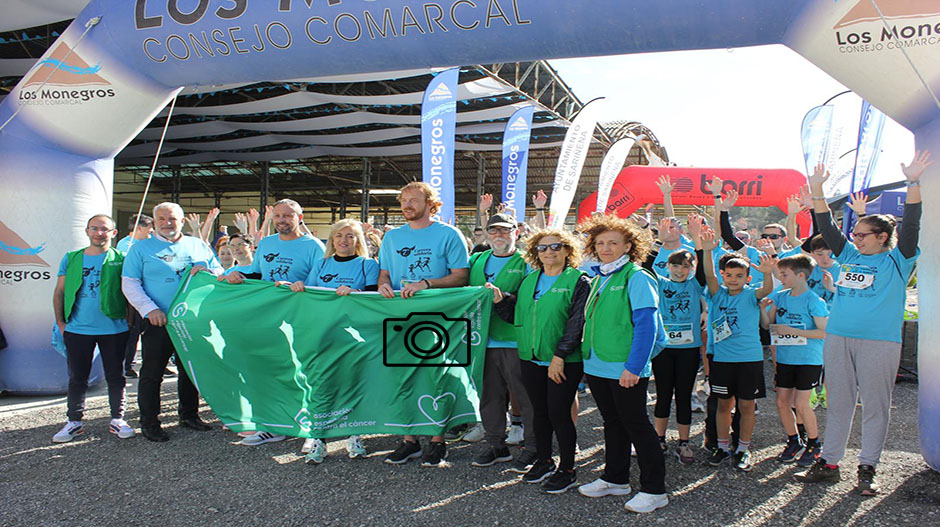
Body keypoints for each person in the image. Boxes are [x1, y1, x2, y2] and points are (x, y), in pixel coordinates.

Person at [795, 152, 930, 496]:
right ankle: (829, 463)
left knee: (875, 404)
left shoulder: (899, 261)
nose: (856, 238)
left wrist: (913, 183)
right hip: (839, 338)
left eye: (864, 234)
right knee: (838, 401)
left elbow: (912, 224)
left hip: (879, 342)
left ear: (883, 237)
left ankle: (868, 466)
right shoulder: (851, 256)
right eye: (855, 233)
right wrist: (817, 192)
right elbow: (827, 228)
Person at [573, 214, 669, 513]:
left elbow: (646, 326)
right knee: (612, 423)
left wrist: (635, 367)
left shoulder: (637, 277)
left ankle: (655, 490)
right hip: (599, 365)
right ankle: (615, 479)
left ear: (629, 245)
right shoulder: (602, 276)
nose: (606, 248)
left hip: (624, 367)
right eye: (600, 243)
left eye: (613, 243)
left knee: (637, 426)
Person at [488, 228, 590, 494]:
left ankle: (567, 469)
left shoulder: (578, 280)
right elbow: (516, 316)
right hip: (530, 358)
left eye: (555, 247)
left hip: (562, 361)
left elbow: (576, 324)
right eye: (542, 248)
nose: (548, 252)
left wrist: (560, 356)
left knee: (559, 414)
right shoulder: (530, 280)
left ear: (568, 250)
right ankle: (544, 460)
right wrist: (501, 301)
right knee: (539, 413)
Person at [378, 182, 470, 467]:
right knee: (400, 376)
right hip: (399, 317)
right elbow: (384, 273)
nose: (407, 205)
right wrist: (383, 285)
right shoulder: (392, 237)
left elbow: (461, 276)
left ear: (431, 204)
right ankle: (409, 440)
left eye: (413, 200)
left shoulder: (448, 234)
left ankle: (437, 440)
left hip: (437, 318)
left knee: (436, 376)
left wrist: (426, 284)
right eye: (403, 200)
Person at [226, 199, 326, 446]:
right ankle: (271, 425)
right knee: (267, 371)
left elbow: (319, 285)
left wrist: (300, 288)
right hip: (267, 318)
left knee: (301, 374)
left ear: (299, 218)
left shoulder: (313, 246)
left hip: (299, 319)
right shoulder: (268, 243)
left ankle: (310, 429)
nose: (282, 220)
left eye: (288, 215)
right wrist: (235, 274)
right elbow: (258, 274)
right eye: (278, 216)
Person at [122, 202, 223, 442]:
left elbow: (219, 272)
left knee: (190, 369)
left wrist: (209, 271)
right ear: (155, 222)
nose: (168, 223)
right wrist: (150, 310)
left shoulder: (197, 245)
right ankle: (149, 421)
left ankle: (189, 415)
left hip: (191, 320)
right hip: (159, 321)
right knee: (152, 373)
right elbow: (129, 282)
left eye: (173, 219)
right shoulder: (140, 249)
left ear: (182, 220)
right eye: (163, 219)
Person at [287, 218, 378, 463]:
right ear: (332, 239)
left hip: (354, 337)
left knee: (352, 385)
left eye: (350, 236)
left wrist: (356, 293)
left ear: (358, 240)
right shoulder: (321, 264)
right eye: (339, 236)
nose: (344, 241)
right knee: (322, 387)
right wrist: (298, 286)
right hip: (323, 335)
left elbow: (374, 298)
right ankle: (319, 439)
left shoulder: (367, 265)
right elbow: (310, 296)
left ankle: (354, 436)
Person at [51, 214, 134, 442]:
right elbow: (59, 292)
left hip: (114, 329)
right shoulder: (71, 258)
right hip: (78, 330)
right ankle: (74, 422)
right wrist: (61, 323)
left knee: (116, 376)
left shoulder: (122, 258)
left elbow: (131, 292)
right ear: (87, 231)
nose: (99, 233)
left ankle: (117, 419)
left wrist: (129, 320)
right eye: (95, 228)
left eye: (105, 229)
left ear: (113, 233)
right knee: (77, 377)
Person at [699, 227, 775, 472]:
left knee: (746, 405)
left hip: (749, 360)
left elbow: (767, 290)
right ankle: (722, 446)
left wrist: (768, 273)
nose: (733, 279)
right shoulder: (717, 295)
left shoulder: (752, 294)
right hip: (722, 360)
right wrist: (708, 251)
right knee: (723, 404)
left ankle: (742, 448)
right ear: (724, 275)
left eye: (739, 276)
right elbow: (709, 276)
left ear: (747, 278)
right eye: (729, 275)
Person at [468, 213, 538, 474]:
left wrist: (504, 297)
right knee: (489, 398)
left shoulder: (527, 262)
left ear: (516, 233)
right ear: (487, 234)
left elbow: (532, 298)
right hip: (482, 341)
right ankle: (496, 444)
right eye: (494, 230)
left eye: (505, 231)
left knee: (526, 398)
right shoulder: (477, 260)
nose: (499, 235)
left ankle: (533, 446)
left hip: (515, 341)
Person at [647, 214, 709, 466]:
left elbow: (704, 263)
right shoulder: (658, 283)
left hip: (688, 349)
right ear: (667, 267)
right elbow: (645, 263)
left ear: (691, 269)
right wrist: (659, 241)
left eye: (685, 266)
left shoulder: (696, 286)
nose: (680, 270)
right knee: (663, 394)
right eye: (675, 266)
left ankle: (684, 442)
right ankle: (659, 438)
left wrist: (696, 238)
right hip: (664, 348)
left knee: (684, 395)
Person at [760, 254, 828, 466]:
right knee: (782, 402)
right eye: (780, 274)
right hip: (785, 358)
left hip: (809, 359)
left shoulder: (814, 300)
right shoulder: (780, 296)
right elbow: (767, 325)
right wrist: (763, 310)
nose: (781, 278)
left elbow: (823, 332)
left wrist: (792, 330)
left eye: (784, 274)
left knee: (801, 403)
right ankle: (793, 440)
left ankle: (814, 443)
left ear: (800, 275)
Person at [117, 213, 153, 377]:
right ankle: (128, 365)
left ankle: (150, 363)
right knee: (133, 331)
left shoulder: (149, 245)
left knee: (149, 332)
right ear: (139, 228)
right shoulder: (125, 245)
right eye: (149, 230)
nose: (151, 233)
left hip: (149, 293)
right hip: (132, 297)